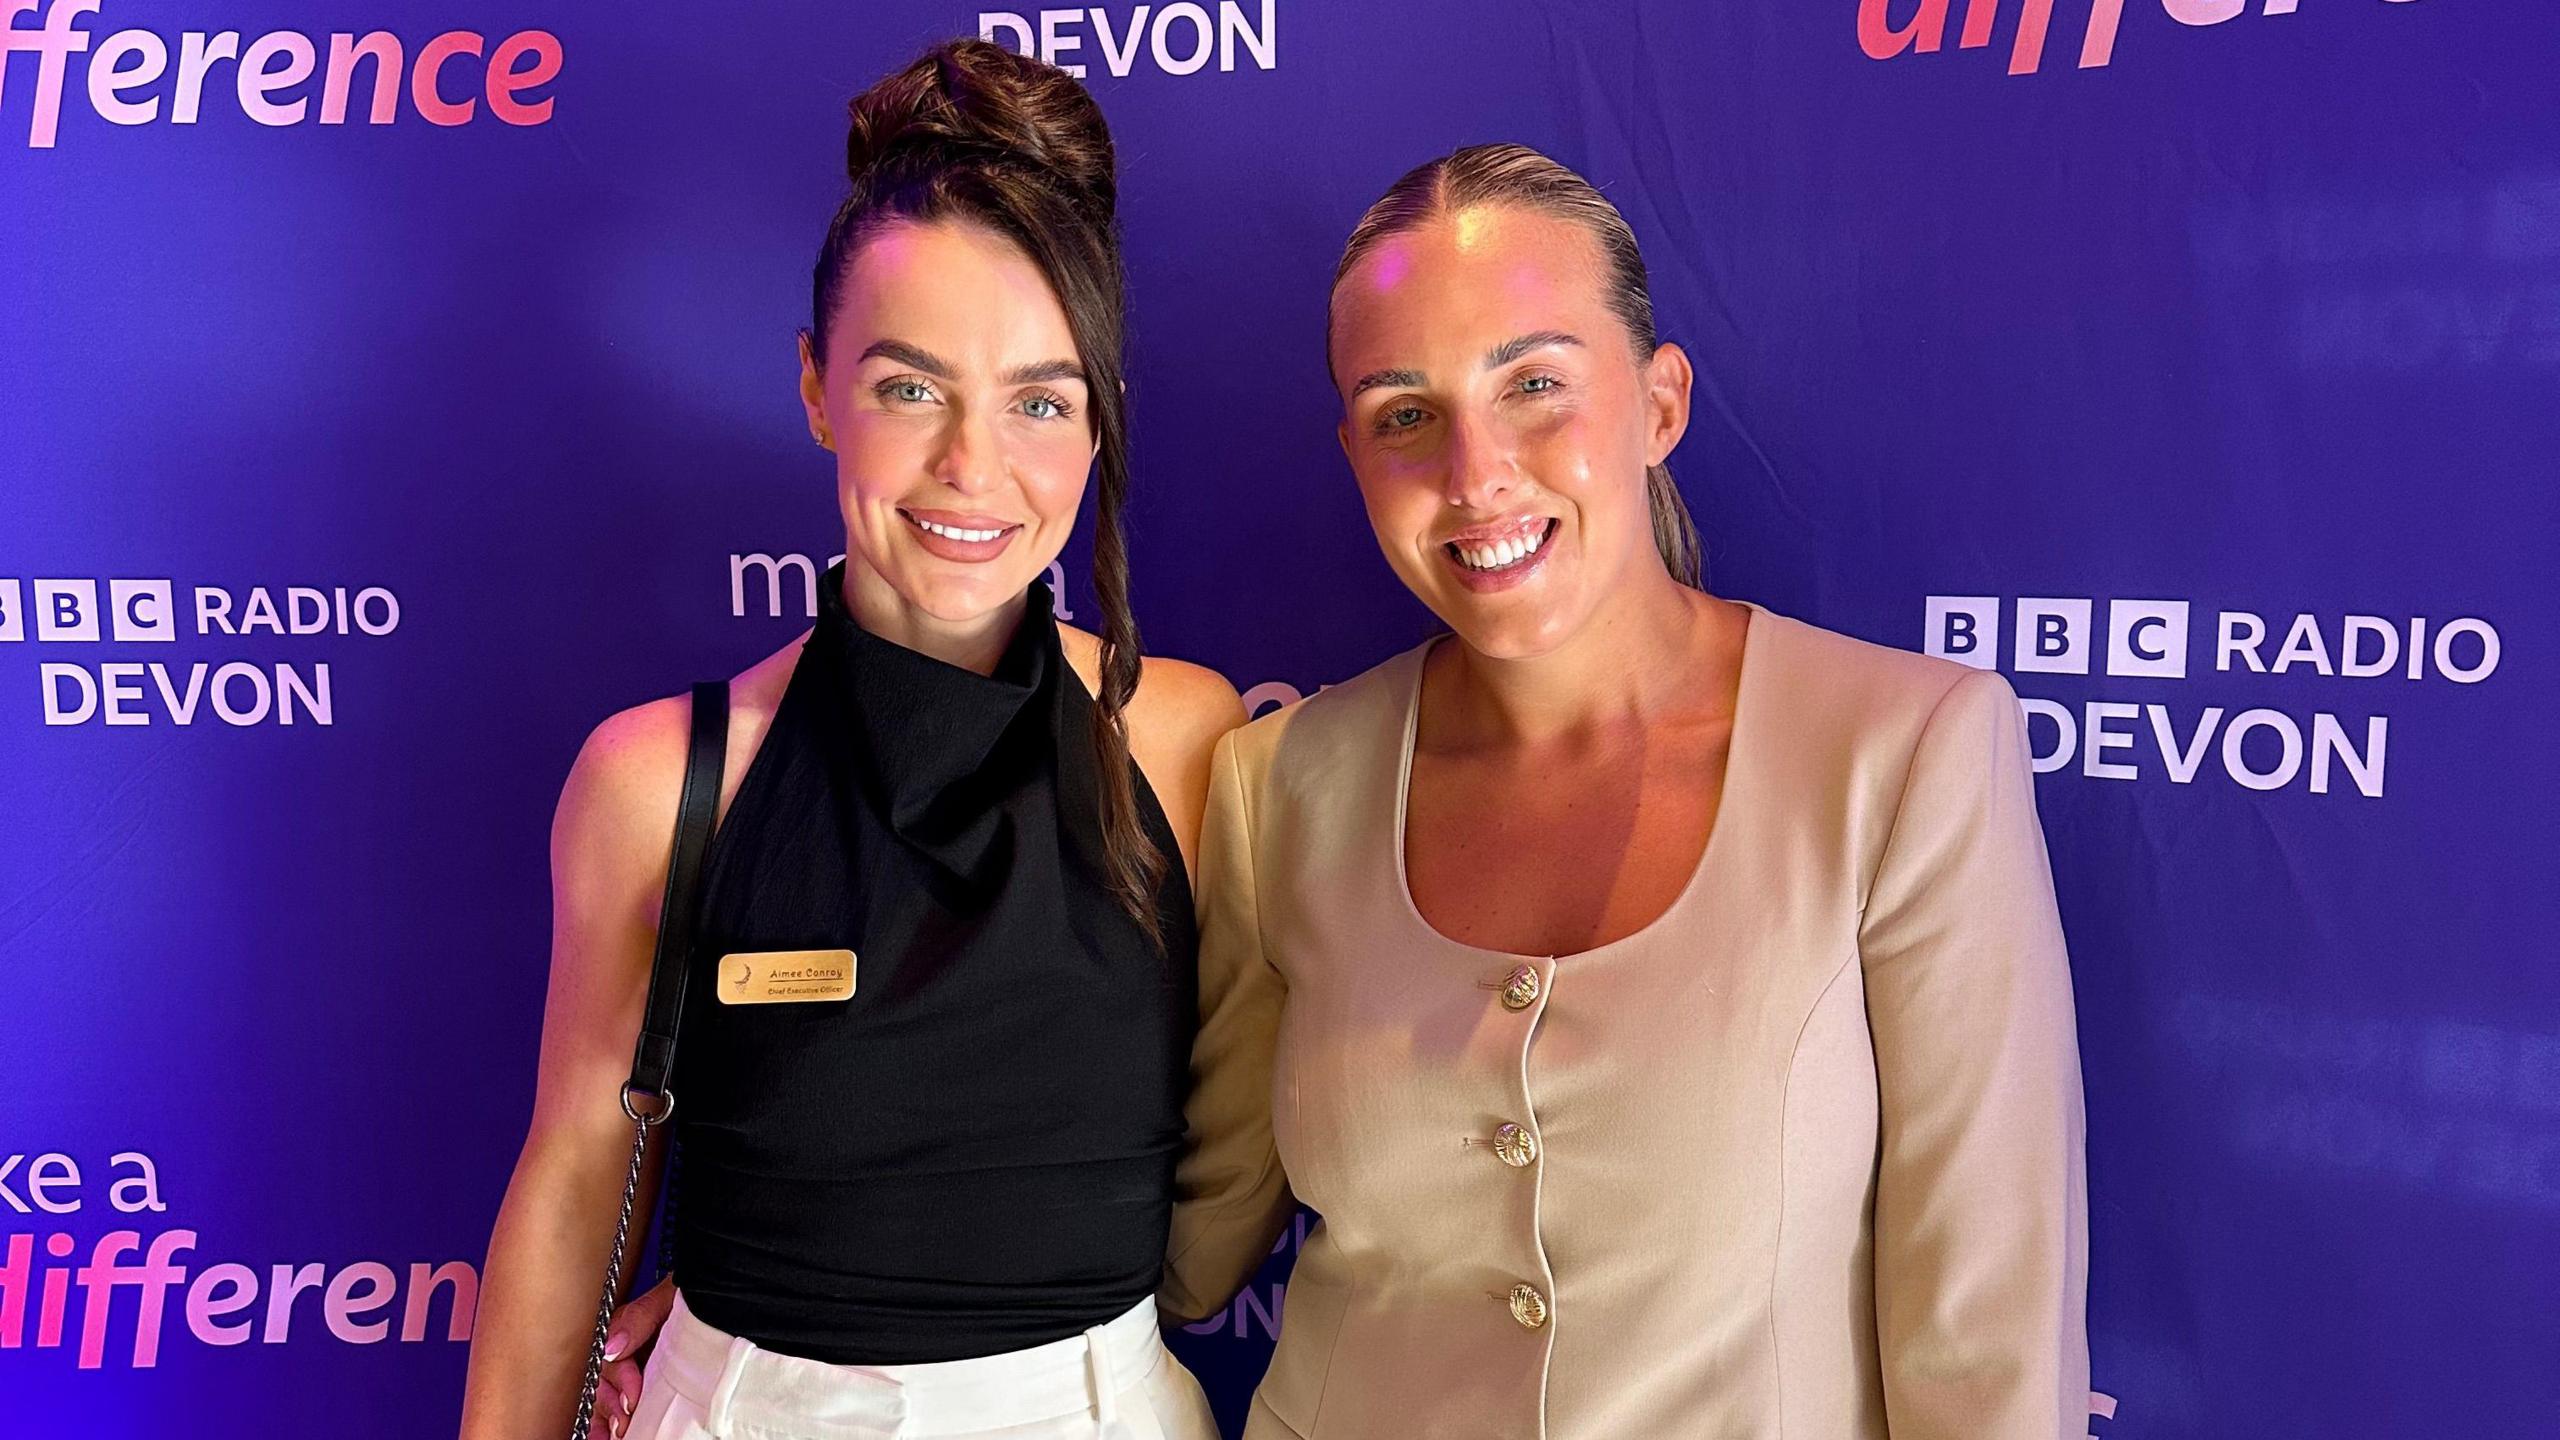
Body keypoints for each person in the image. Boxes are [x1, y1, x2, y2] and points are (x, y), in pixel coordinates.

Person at [1159, 144, 2090, 1438]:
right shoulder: (1281, 786)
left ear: (1659, 405)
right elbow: (1189, 1246)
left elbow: (1985, 1359)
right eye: (1403, 412)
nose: (1475, 472)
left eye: (1533, 384)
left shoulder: (1905, 757)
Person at [459, 39, 1239, 1440]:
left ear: (1100, 421)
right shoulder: (661, 781)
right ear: (819, 386)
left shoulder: (1187, 738)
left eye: (1041, 400)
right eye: (909, 386)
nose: (973, 468)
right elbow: (575, 1182)